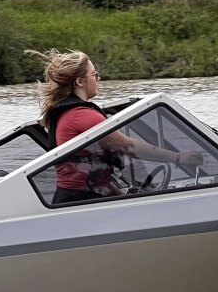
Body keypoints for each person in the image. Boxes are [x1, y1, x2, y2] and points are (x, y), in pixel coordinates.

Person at [26, 49, 202, 204]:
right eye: (94, 74)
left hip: (78, 197)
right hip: (80, 199)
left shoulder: (69, 112)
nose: (98, 79)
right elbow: (129, 147)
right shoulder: (81, 115)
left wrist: (123, 197)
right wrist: (177, 157)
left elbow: (96, 177)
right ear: (80, 81)